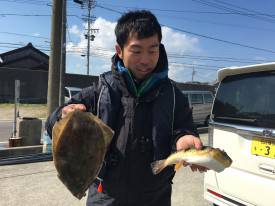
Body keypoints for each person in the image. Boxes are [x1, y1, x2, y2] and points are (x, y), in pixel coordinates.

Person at [46, 10, 206, 206]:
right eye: (137, 51)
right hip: (105, 196)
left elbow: (183, 128)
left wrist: (184, 138)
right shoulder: (101, 90)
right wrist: (64, 116)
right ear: (119, 50)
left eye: (152, 50)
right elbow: (52, 123)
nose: (145, 60)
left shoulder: (173, 95)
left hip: (156, 197)